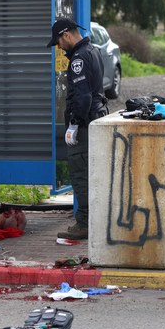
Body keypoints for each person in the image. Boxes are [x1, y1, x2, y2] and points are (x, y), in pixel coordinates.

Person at [47, 18, 106, 241]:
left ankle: (84, 224)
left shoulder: (79, 59)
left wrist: (73, 124)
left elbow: (83, 96)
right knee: (91, 174)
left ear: (67, 35)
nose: (59, 47)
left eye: (59, 42)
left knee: (80, 174)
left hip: (83, 125)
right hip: (94, 121)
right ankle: (92, 221)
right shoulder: (93, 51)